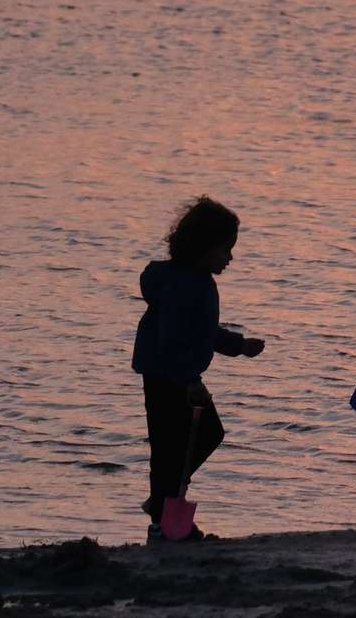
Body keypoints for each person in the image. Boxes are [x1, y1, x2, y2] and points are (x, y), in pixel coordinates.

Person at [131, 196, 267, 540]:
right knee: (179, 446)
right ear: (202, 248)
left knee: (184, 445)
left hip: (174, 375)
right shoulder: (182, 285)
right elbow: (173, 339)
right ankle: (166, 518)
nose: (230, 258)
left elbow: (201, 333)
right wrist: (189, 380)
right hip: (168, 378)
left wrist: (238, 346)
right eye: (225, 250)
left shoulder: (196, 282)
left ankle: (166, 510)